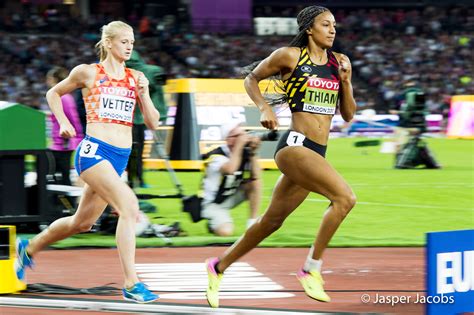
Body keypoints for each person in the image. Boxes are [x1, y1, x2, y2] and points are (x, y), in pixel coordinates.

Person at [205, 5, 357, 308]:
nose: (332, 30)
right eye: (326, 25)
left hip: (317, 151)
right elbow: (252, 79)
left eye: (335, 26)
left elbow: (348, 114)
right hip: (295, 146)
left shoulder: (338, 62)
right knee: (345, 199)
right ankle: (310, 269)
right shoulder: (289, 55)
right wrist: (264, 107)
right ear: (309, 29)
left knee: (270, 222)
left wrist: (347, 81)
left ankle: (218, 266)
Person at [15, 21, 161, 303]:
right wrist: (63, 122)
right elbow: (53, 93)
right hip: (94, 152)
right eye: (124, 41)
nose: (130, 46)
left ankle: (28, 248)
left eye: (132, 42)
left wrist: (144, 93)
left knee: (81, 223)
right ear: (108, 43)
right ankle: (132, 283)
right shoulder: (88, 72)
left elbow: (154, 122)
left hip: (119, 158)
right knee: (129, 207)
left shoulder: (136, 77)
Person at [200, 122, 261, 236]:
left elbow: (256, 175)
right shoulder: (215, 155)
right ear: (228, 139)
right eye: (238, 136)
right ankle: (212, 224)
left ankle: (252, 223)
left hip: (229, 195)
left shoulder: (244, 152)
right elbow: (230, 169)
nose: (242, 139)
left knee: (254, 183)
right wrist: (239, 146)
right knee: (226, 232)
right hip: (213, 203)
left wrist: (253, 153)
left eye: (243, 135)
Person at [125, 51, 167, 188]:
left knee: (133, 152)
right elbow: (159, 79)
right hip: (135, 120)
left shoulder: (124, 72)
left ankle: (134, 180)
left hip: (131, 120)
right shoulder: (149, 71)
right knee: (135, 152)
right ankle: (136, 180)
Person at [47, 66, 84, 185]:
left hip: (63, 144)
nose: (47, 81)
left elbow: (74, 120)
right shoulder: (59, 97)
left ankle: (66, 203)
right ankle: (59, 201)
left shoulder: (64, 98)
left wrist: (77, 138)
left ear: (55, 80)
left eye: (49, 78)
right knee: (57, 177)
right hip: (58, 144)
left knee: (62, 178)